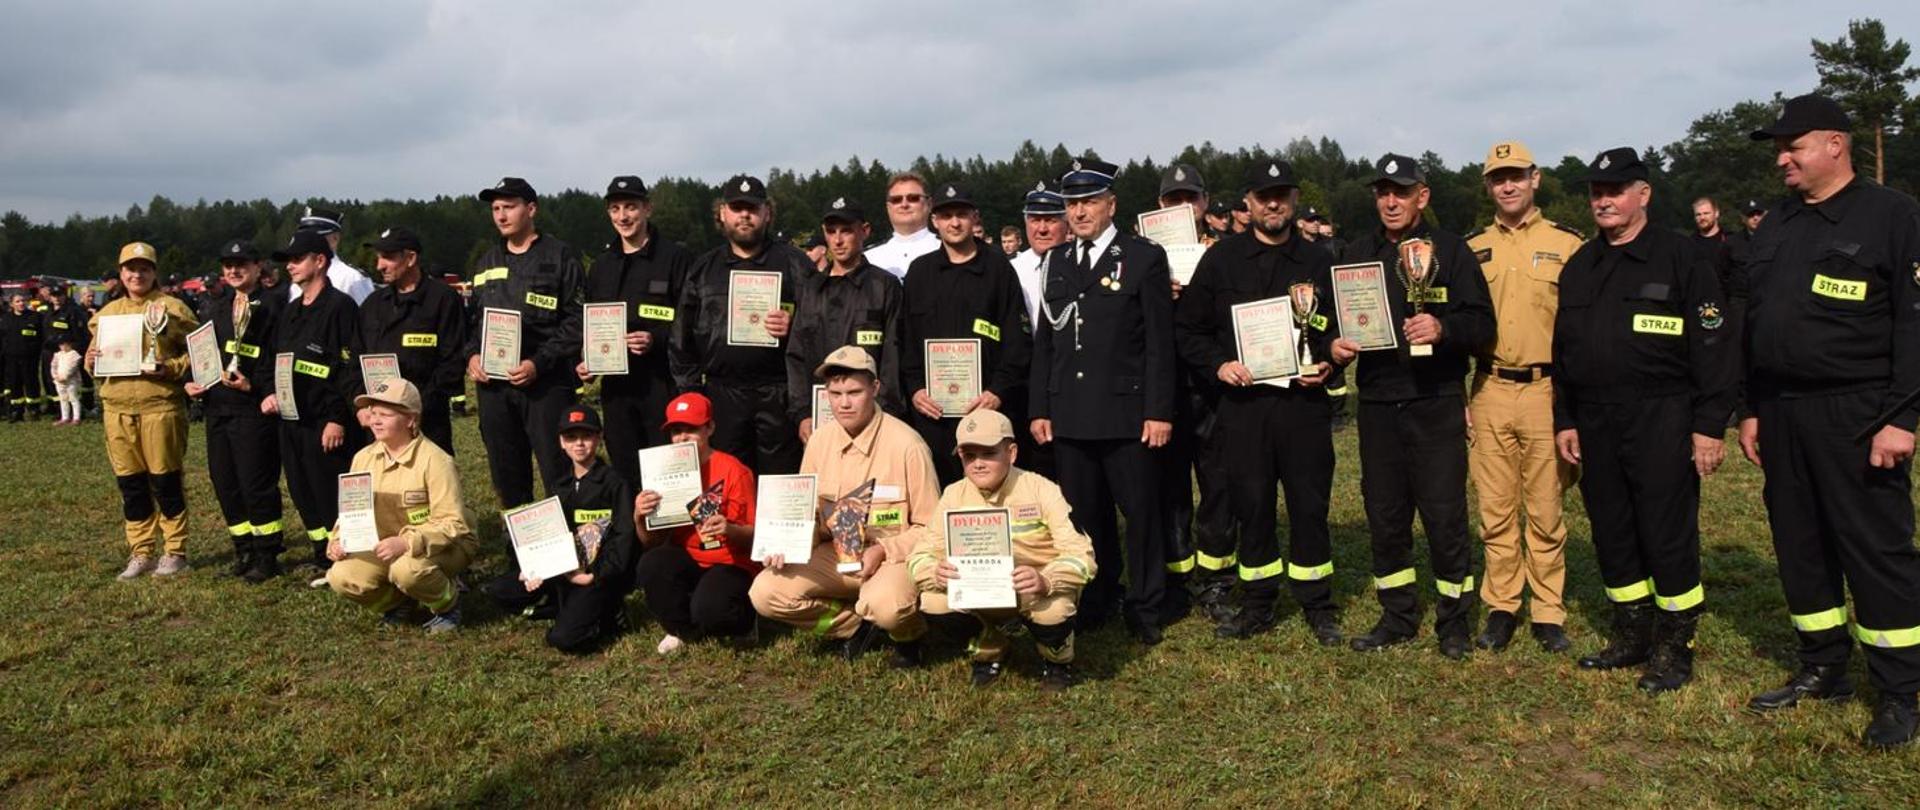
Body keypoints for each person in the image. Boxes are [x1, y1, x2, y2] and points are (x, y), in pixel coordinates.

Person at [1740, 95, 1920, 748]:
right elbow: (1757, 320)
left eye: (1793, 147)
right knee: (1800, 545)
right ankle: (1823, 666)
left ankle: (1900, 690)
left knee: (1874, 550)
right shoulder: (1778, 222)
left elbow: (1913, 323)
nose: (1781, 160)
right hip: (1782, 410)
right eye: (1778, 149)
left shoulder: (1893, 216)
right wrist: (1752, 408)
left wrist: (1902, 418)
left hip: (1860, 411)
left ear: (1836, 144)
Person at [1554, 147, 1734, 693]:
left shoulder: (1682, 257)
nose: (1604, 201)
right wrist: (1565, 418)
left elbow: (1714, 346)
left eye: (1615, 191)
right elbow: (1564, 352)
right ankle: (1632, 633)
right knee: (1612, 527)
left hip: (1663, 413)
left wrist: (1709, 424)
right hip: (1595, 418)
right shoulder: (1580, 265)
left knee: (1665, 529)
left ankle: (1675, 644)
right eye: (1596, 192)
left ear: (1644, 194)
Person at [1329, 153, 1495, 659]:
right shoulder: (1357, 254)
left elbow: (1482, 324)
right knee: (1385, 516)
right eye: (1382, 192)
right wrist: (1333, 347)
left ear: (1422, 196)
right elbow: (1329, 320)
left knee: (1445, 517)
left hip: (1435, 400)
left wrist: (1443, 328)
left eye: (1400, 192)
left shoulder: (1453, 251)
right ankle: (1397, 615)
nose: (1390, 201)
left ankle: (1454, 621)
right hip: (1379, 401)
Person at [1173, 159, 1343, 643]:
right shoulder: (1221, 260)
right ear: (1247, 202)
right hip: (1243, 407)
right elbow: (1189, 328)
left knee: (1309, 505)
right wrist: (1218, 365)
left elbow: (1335, 328)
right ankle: (1258, 602)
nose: (1273, 204)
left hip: (1303, 406)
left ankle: (1317, 602)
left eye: (1282, 195)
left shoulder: (1318, 260)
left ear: (1294, 200)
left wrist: (1329, 363)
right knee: (1253, 506)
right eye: (1264, 196)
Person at [1029, 156, 1177, 644]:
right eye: (1072, 204)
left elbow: (1159, 343)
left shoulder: (1142, 257)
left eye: (1090, 202)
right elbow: (1046, 343)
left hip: (1125, 412)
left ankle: (1146, 603)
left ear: (1111, 205)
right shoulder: (1056, 261)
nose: (1079, 212)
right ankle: (1098, 596)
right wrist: (1040, 407)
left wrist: (1158, 411)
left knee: (1141, 514)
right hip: (1071, 413)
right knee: (1085, 516)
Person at [1463, 141, 1586, 652]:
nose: (1508, 185)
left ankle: (1548, 611)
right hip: (1489, 387)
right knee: (1494, 508)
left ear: (1535, 178)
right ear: (1488, 186)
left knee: (1545, 508)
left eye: (1516, 175)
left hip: (1545, 391)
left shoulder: (1568, 244)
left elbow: (1580, 331)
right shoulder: (1471, 248)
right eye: (1498, 178)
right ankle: (1502, 606)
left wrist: (1572, 405)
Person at [748, 346, 940, 665]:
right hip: (837, 553)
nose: (844, 403)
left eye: (854, 392)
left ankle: (909, 634)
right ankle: (852, 626)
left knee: (886, 606)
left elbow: (931, 529)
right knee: (766, 593)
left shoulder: (908, 445)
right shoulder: (819, 441)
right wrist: (787, 543)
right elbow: (808, 516)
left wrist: (883, 551)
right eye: (835, 394)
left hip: (890, 558)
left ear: (875, 388)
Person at [908, 409, 1095, 689]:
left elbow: (1082, 557)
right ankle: (989, 648)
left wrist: (1047, 580)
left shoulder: (1042, 489)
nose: (978, 464)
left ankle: (1057, 659)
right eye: (969, 456)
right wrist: (934, 572)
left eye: (988, 454)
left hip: (1035, 590)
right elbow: (920, 555)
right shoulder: (953, 495)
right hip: (980, 590)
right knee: (933, 602)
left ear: (1012, 453)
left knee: (1054, 613)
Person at [463, 177, 585, 594]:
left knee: (556, 471)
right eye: (495, 208)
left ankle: (565, 562)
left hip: (544, 386)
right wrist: (472, 356)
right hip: (495, 391)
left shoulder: (559, 256)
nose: (501, 215)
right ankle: (520, 561)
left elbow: (575, 321)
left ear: (531, 209)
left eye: (509, 206)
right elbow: (471, 323)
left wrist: (539, 362)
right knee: (508, 475)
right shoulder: (485, 262)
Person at [669, 174, 809, 474]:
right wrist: (692, 393)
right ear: (722, 213)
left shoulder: (796, 264)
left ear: (767, 213)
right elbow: (681, 338)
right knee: (728, 482)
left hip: (780, 394)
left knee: (779, 484)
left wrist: (794, 326)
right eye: (736, 208)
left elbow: (820, 326)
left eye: (753, 208)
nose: (745, 215)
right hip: (722, 395)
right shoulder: (703, 269)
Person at [900, 183, 1031, 485]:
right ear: (934, 221)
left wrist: (997, 391)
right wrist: (916, 388)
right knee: (940, 494)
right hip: (934, 414)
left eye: (961, 214)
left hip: (987, 408)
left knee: (993, 494)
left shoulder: (998, 268)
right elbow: (906, 341)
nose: (955, 223)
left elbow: (1018, 339)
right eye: (946, 216)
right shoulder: (920, 272)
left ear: (975, 217)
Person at [324, 378, 476, 634]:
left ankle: (448, 605)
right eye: (373, 413)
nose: (375, 421)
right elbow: (351, 511)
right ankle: (399, 605)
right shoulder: (362, 458)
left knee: (407, 569)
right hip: (385, 546)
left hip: (445, 545)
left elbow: (454, 524)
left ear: (410, 419)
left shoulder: (436, 461)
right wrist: (339, 540)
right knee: (341, 576)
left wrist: (406, 542)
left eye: (385, 415)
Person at [86, 242, 200, 579]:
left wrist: (171, 368)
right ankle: (141, 551)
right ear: (121, 273)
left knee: (166, 480)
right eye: (130, 269)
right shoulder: (106, 315)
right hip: (117, 409)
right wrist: (91, 361)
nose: (137, 275)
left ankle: (175, 551)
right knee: (131, 484)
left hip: (159, 407)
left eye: (144, 269)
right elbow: (94, 360)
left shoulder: (174, 309)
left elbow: (199, 352)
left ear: (154, 272)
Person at [1155, 162, 1235, 623]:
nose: (1184, 207)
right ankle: (1175, 579)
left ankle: (1217, 579)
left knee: (1219, 483)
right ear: (1160, 205)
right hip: (1165, 386)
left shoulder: (1226, 251)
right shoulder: (1144, 256)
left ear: (1205, 202)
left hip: (1213, 385)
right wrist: (1155, 291)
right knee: (1169, 487)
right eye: (1174, 200)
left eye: (1191, 198)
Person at [263, 230, 367, 586]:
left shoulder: (340, 307)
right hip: (291, 419)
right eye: (288, 261)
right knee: (302, 489)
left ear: (319, 261)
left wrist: (337, 418)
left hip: (325, 422)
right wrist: (271, 392)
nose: (289, 266)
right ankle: (322, 555)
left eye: (297, 259)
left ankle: (347, 560)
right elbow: (276, 358)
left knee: (329, 492)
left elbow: (347, 367)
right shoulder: (291, 310)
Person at [577, 176, 694, 488]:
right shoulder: (601, 266)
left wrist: (656, 339)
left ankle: (669, 523)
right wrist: (588, 360)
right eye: (615, 209)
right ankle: (631, 521)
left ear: (647, 209)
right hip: (617, 390)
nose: (623, 216)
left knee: (668, 471)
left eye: (631, 207)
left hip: (662, 382)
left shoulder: (675, 258)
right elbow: (591, 325)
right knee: (625, 470)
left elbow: (692, 322)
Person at [186, 239, 288, 582]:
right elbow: (204, 352)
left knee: (255, 483)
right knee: (225, 482)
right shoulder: (216, 306)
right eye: (228, 265)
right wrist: (192, 381)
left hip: (253, 409)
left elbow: (278, 357)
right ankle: (243, 549)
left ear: (258, 267)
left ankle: (267, 553)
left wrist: (256, 387)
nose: (233, 270)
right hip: (218, 408)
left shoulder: (274, 306)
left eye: (241, 264)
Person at [634, 392, 761, 653]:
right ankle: (681, 628)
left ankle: (744, 621)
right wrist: (639, 517)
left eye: (691, 429)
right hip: (690, 557)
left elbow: (758, 537)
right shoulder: (663, 472)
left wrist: (731, 529)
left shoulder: (735, 470)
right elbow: (651, 542)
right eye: (676, 431)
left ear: (710, 428)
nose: (682, 438)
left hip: (730, 562)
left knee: (712, 610)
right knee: (652, 564)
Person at [517, 404, 640, 653]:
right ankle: (560, 603)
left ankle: (609, 612)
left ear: (599, 438)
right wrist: (534, 565)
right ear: (561, 442)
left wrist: (595, 575)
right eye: (571, 437)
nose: (579, 443)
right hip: (566, 569)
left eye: (587, 436)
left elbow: (624, 537)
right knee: (504, 590)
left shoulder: (616, 483)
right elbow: (550, 533)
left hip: (598, 574)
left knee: (563, 639)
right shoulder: (559, 485)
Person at [786, 196, 905, 439]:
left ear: (865, 231)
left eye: (846, 231)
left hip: (872, 418)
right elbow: (796, 355)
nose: (838, 240)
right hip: (820, 418)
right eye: (831, 232)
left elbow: (893, 357)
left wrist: (885, 412)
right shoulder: (810, 289)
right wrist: (802, 413)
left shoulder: (884, 286)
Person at [357, 227, 467, 457]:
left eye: (387, 257)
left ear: (410, 258)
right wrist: (360, 405)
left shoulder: (443, 300)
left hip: (426, 424)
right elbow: (354, 360)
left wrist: (411, 407)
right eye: (378, 257)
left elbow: (453, 362)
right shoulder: (372, 305)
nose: (379, 265)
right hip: (378, 426)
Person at [287, 206, 376, 305]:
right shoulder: (299, 278)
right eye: (305, 236)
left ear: (335, 239)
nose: (308, 241)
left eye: (315, 236)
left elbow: (368, 312)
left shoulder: (351, 278)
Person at [864, 172, 941, 279]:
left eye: (913, 198)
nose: (904, 205)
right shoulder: (869, 258)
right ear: (888, 207)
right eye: (896, 200)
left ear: (929, 204)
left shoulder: (948, 250)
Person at [39, 284, 89, 418]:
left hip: (65, 352)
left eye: (59, 295)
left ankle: (74, 411)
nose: (56, 298)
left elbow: (79, 334)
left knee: (68, 381)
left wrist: (73, 351)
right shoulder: (47, 311)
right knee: (51, 379)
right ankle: (56, 407)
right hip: (49, 351)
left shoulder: (73, 312)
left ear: (64, 296)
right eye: (54, 296)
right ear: (50, 297)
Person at [1, 293, 41, 421]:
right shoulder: (5, 318)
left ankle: (34, 409)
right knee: (14, 384)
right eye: (17, 301)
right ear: (11, 304)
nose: (21, 303)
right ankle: (17, 410)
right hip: (11, 358)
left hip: (30, 358)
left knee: (31, 383)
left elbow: (41, 336)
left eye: (23, 301)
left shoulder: (35, 317)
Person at [49, 339, 81, 424]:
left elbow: (73, 367)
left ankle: (76, 417)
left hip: (71, 381)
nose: (62, 346)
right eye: (60, 345)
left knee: (73, 398)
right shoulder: (58, 355)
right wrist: (55, 376)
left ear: (69, 344)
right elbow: (53, 365)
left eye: (64, 344)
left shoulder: (74, 354)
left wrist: (65, 377)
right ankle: (65, 417)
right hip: (59, 381)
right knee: (63, 399)